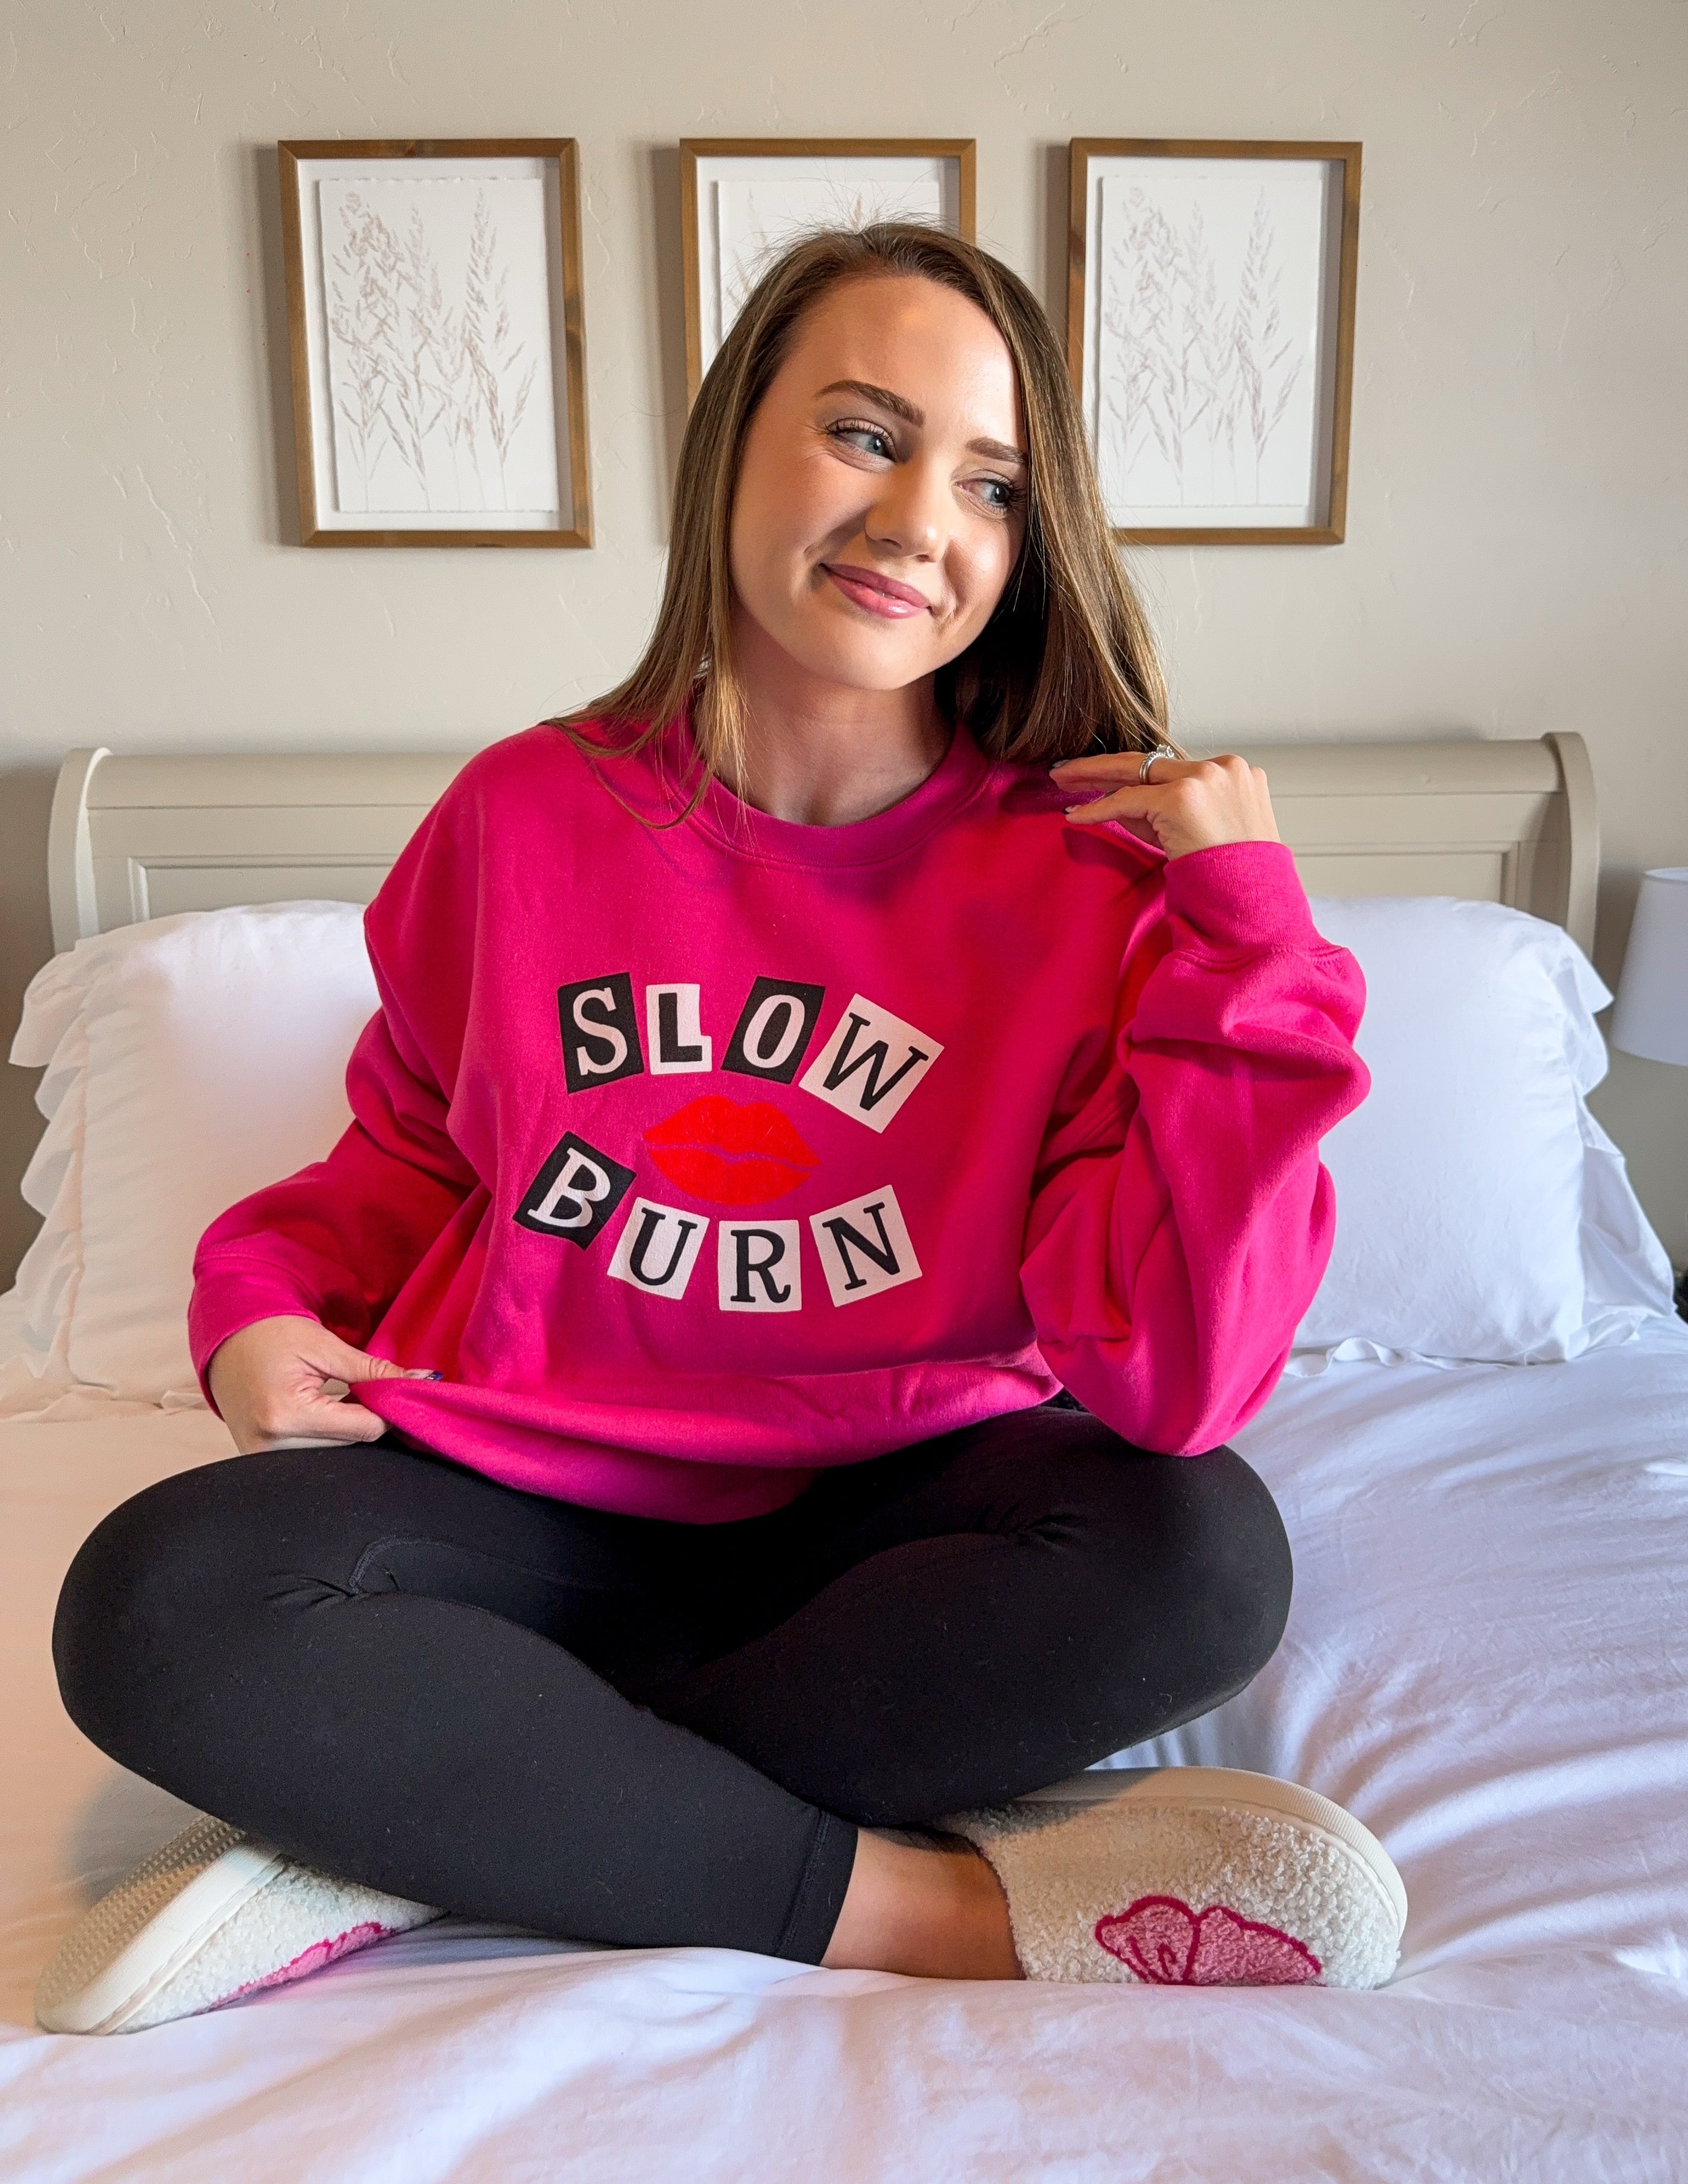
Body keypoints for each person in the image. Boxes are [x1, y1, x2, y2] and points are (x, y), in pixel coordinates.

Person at [38, 222, 1405, 2037]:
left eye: (993, 481)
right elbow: (423, 1149)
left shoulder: (1093, 877)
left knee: (1200, 1551)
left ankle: (423, 1829)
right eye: (866, 432)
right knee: (155, 1601)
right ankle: (921, 1911)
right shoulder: (526, 815)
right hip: (541, 1499)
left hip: (896, 1521)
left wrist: (1251, 942)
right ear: (733, 446)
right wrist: (261, 1303)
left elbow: (1172, 1382)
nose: (925, 516)